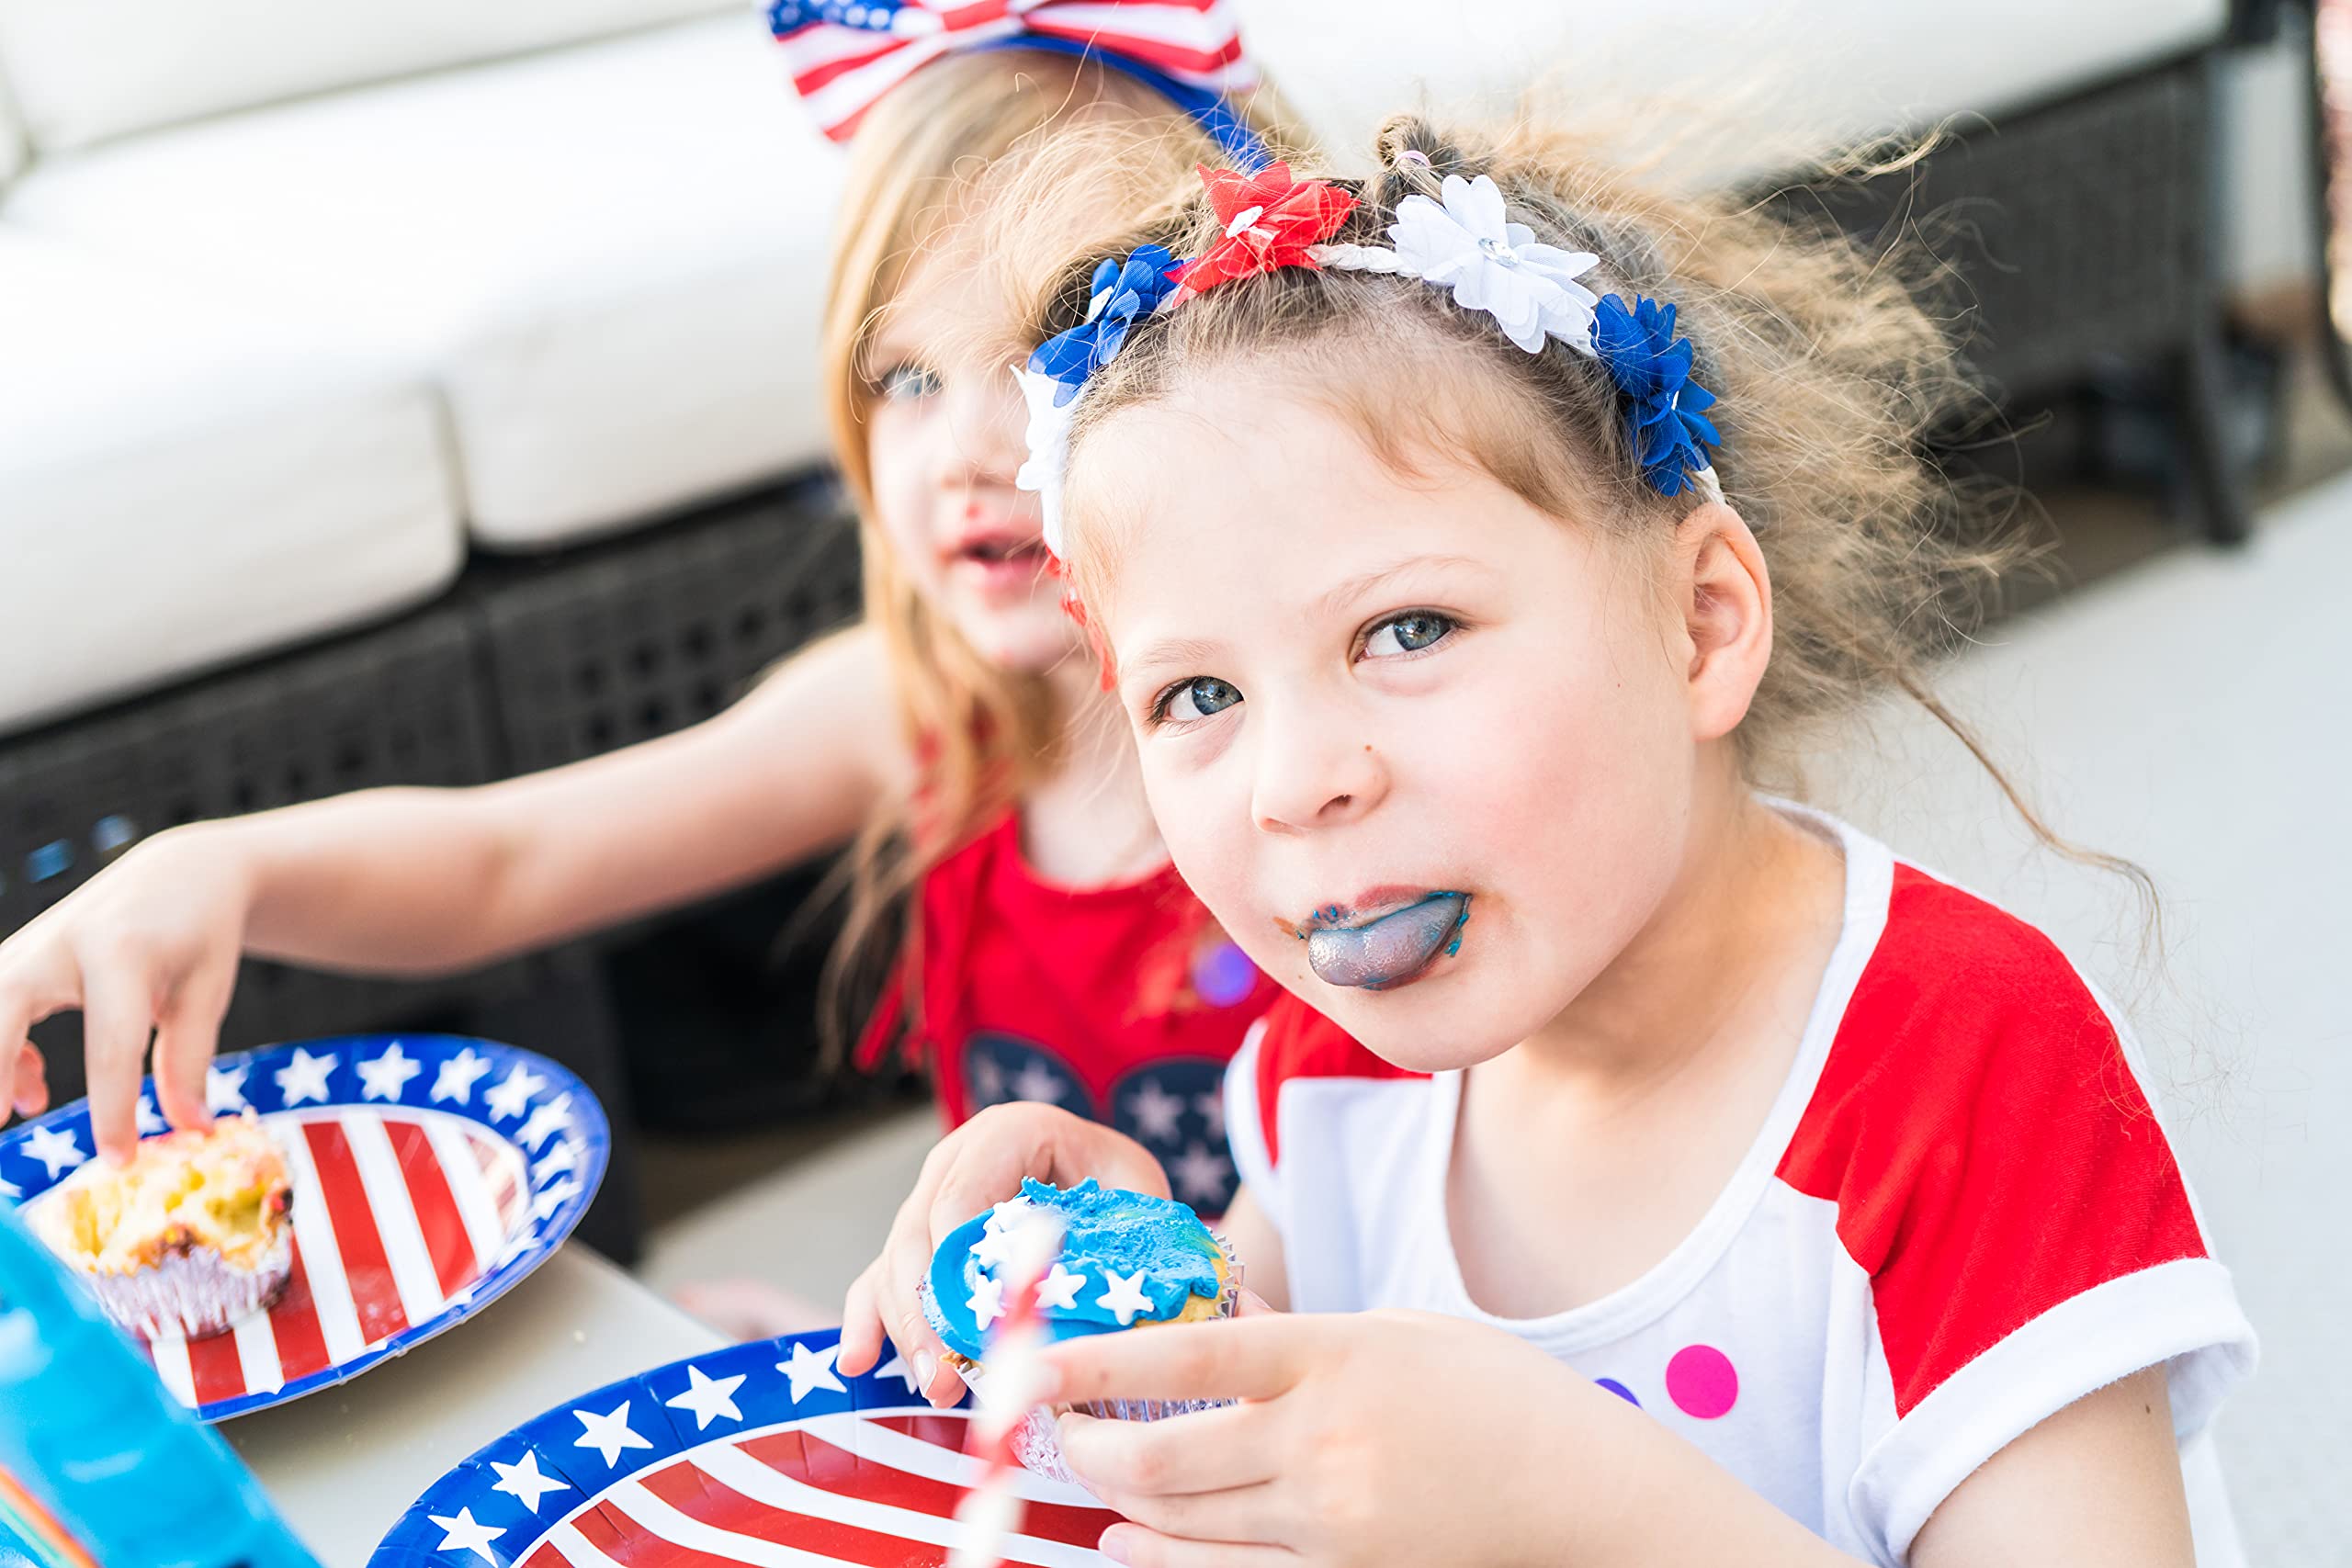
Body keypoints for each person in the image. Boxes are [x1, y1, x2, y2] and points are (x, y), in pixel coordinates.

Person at [842, 113, 2256, 1566]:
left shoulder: (1961, 1067)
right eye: (1199, 694)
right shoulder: (1339, 1069)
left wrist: (1577, 1512)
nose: (1296, 782)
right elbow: (1267, 1413)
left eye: (1406, 629)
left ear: (1702, 621)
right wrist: (1128, 1272)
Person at [0, 6, 1290, 1256]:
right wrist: (225, 870)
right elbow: (509, 861)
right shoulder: (922, 710)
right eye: (905, 377)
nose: (964, 449)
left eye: (1040, 359)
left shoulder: (1319, 766)